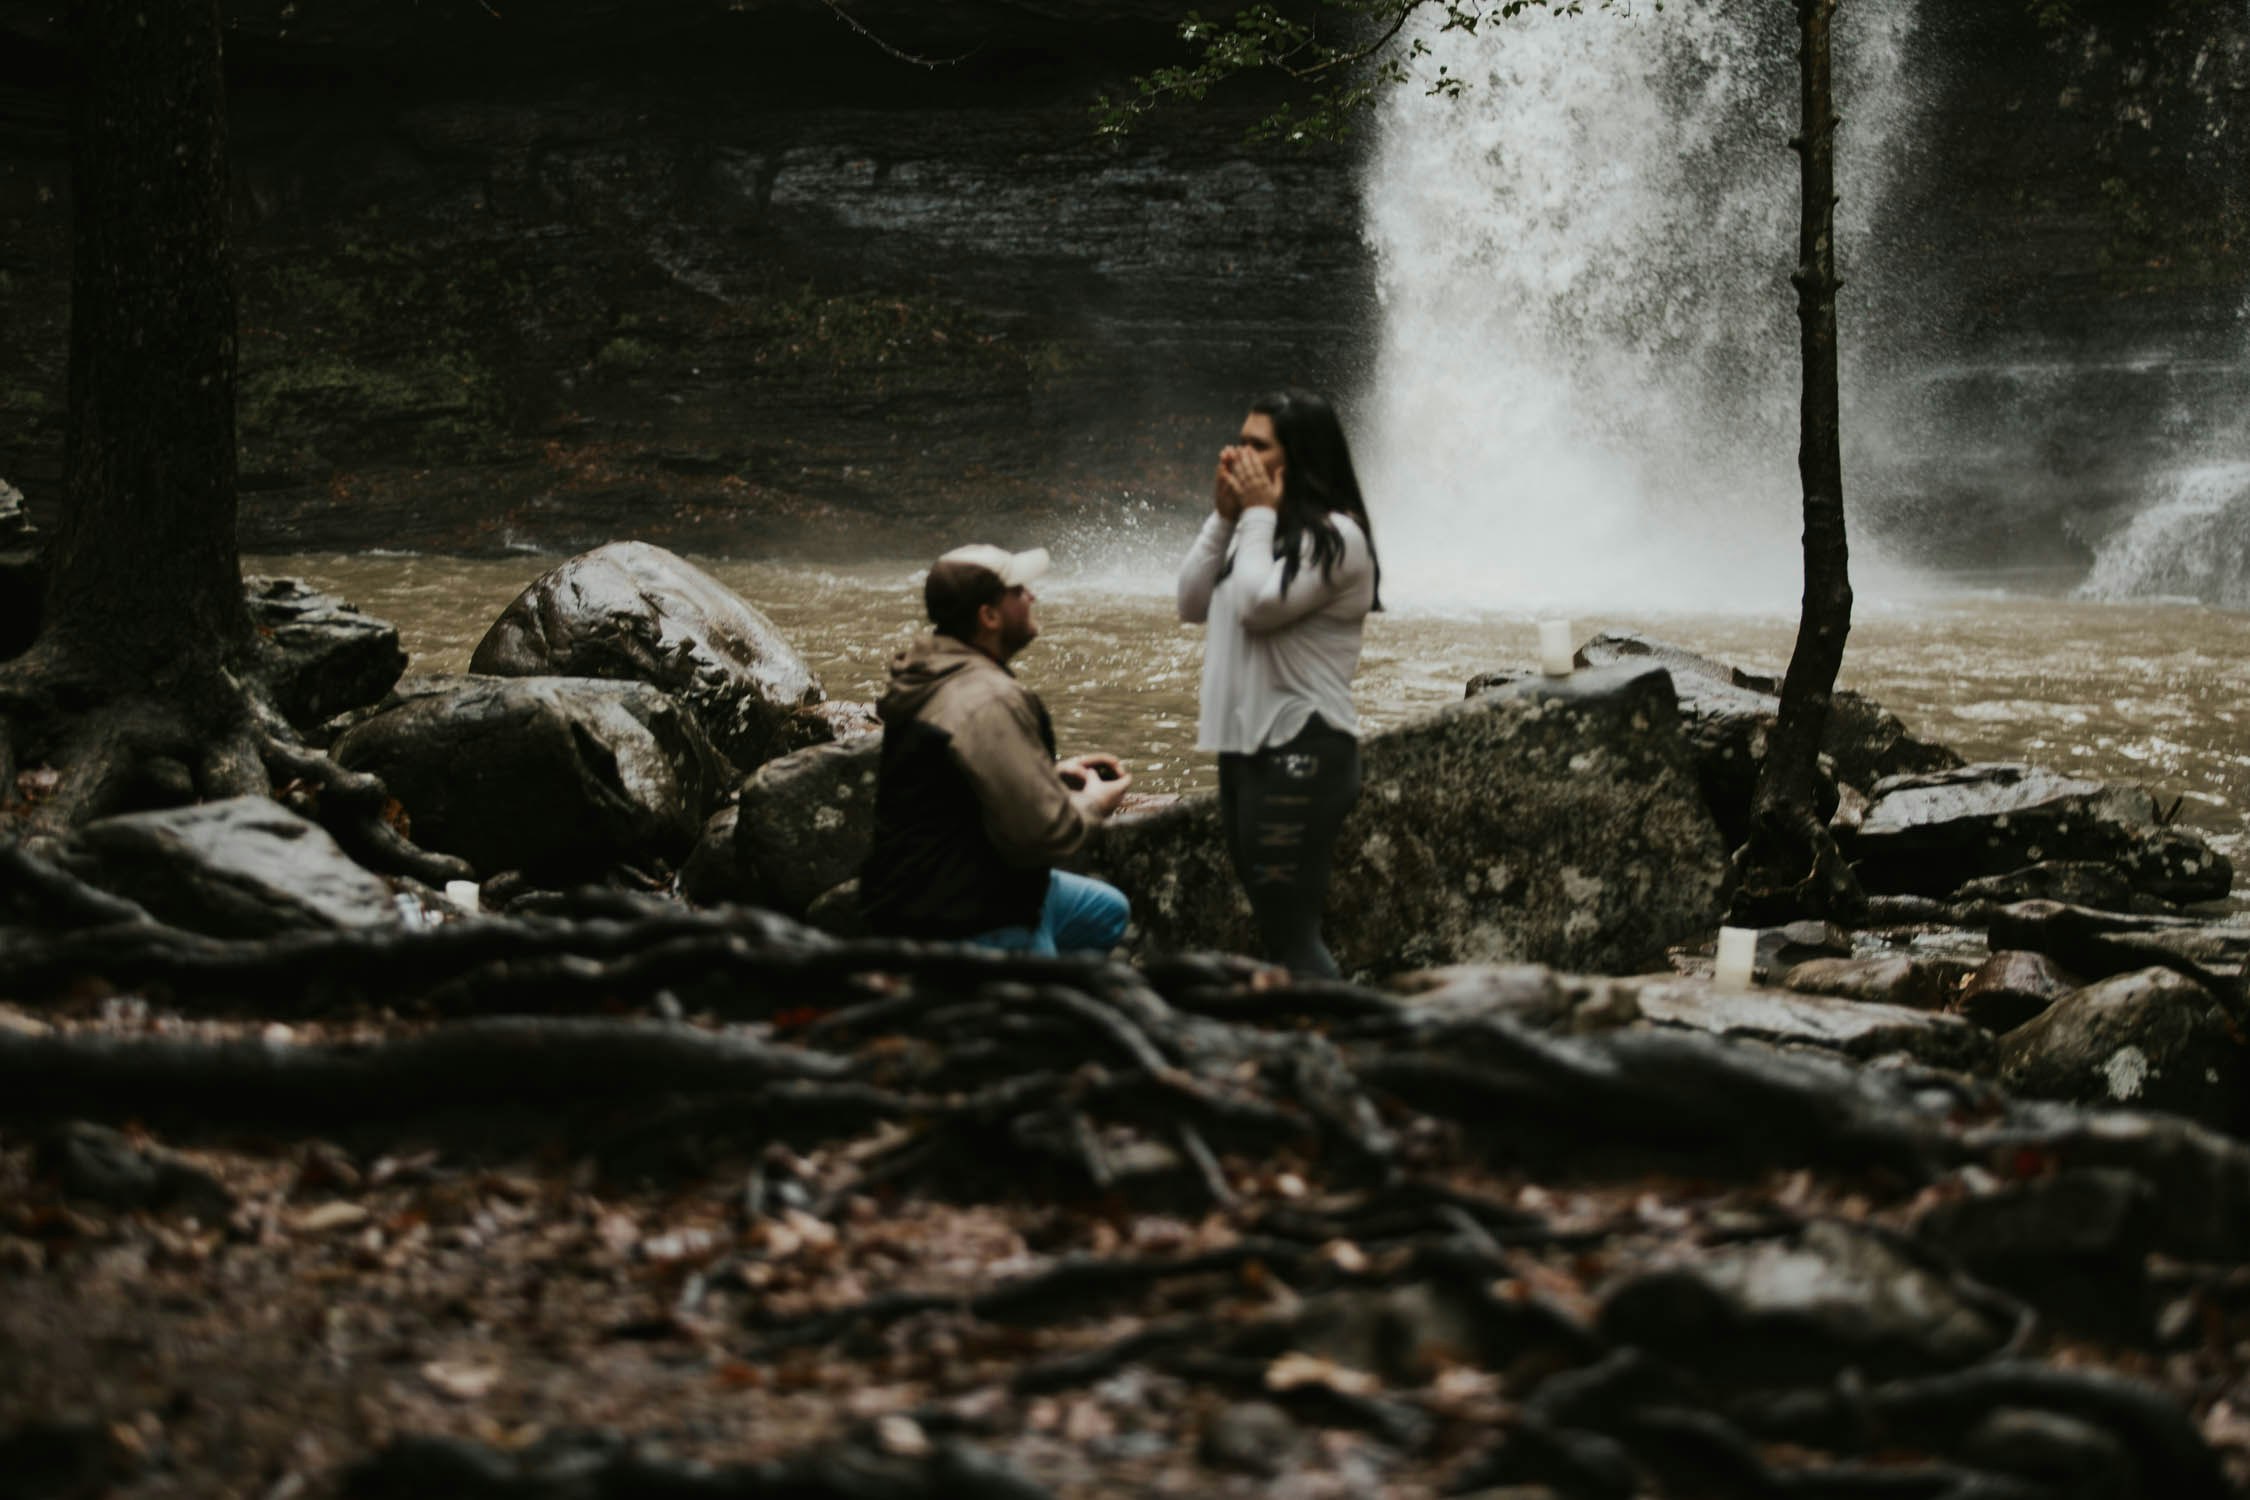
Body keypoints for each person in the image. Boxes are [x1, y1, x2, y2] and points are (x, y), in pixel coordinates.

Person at [1176, 388, 1380, 978]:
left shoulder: (1337, 537)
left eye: (1254, 445)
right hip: (1247, 747)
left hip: (1302, 747)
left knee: (1292, 933)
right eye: (1238, 440)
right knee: (1273, 925)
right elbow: (1190, 603)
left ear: (1293, 457)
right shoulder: (1256, 534)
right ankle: (1300, 1044)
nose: (1236, 454)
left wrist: (1258, 516)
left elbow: (1257, 610)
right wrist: (1223, 516)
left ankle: (1342, 1052)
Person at [859, 543, 1136, 953]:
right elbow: (1042, 835)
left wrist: (1044, 775)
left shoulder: (930, 672)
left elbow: (950, 781)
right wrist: (1095, 803)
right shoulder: (989, 700)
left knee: (1107, 910)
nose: (1032, 596)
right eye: (1019, 590)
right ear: (988, 616)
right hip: (970, 915)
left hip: (914, 892)